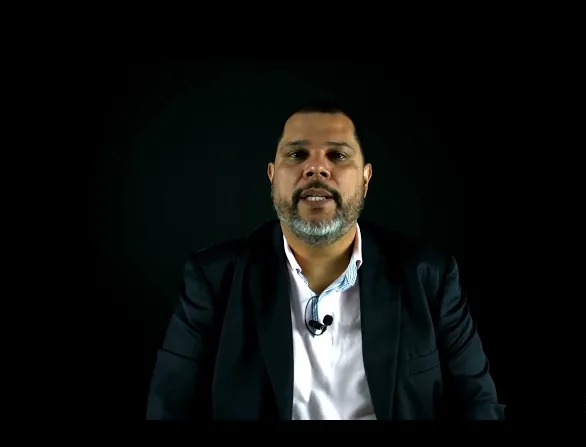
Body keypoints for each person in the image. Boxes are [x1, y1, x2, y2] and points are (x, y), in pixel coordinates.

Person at [146, 101, 505, 420]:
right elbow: (169, 407)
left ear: (366, 178)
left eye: (338, 155)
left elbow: (479, 402)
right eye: (297, 155)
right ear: (272, 176)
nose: (316, 168)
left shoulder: (430, 276)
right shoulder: (213, 279)